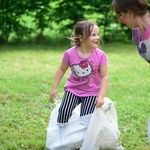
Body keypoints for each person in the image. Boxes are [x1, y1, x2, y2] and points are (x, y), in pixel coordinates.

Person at [50, 20, 109, 123]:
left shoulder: (100, 55)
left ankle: (83, 138)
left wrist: (101, 96)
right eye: (93, 35)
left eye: (98, 34)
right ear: (81, 37)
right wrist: (54, 87)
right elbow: (61, 69)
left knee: (86, 120)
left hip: (91, 92)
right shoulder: (69, 53)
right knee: (63, 113)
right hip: (73, 89)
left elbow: (105, 76)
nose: (97, 37)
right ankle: (62, 136)